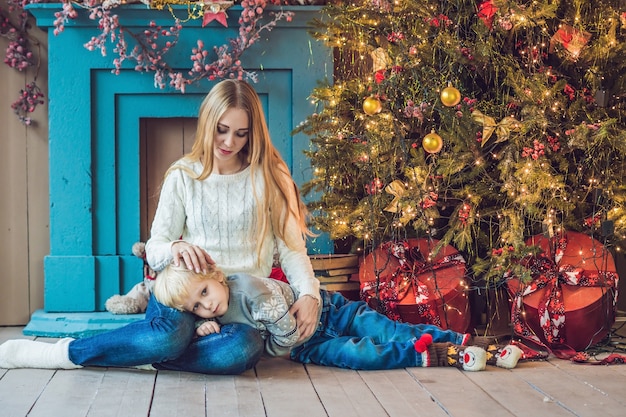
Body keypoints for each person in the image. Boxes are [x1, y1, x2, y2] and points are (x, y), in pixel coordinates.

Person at [0, 79, 321, 374]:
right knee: (168, 336)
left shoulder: (270, 177)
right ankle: (64, 354)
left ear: (254, 133)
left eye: (241, 133)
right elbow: (154, 251)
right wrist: (174, 248)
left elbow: (292, 249)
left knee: (242, 349)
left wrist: (309, 295)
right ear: (208, 122)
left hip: (239, 307)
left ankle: (142, 353)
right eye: (222, 129)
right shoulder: (183, 175)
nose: (229, 142)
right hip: (187, 293)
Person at [152, 263, 524, 371]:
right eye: (196, 307)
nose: (207, 305)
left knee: (383, 328)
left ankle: (463, 340)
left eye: (205, 293)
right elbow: (293, 342)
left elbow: (281, 340)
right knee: (357, 354)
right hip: (309, 344)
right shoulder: (211, 312)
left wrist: (268, 345)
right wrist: (205, 328)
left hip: (329, 310)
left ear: (215, 277)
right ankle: (427, 354)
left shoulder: (249, 290)